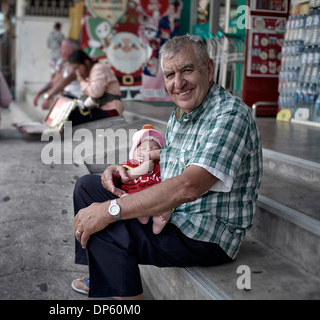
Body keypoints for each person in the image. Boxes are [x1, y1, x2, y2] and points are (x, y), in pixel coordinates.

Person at [71, 35, 262, 299]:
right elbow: (175, 159)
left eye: (186, 70)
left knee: (109, 224)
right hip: (174, 216)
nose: (178, 83)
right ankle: (104, 275)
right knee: (87, 187)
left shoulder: (230, 115)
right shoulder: (181, 114)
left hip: (205, 234)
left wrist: (111, 209)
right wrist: (125, 169)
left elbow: (189, 185)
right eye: (170, 74)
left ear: (208, 69)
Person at [120, 124, 172, 235]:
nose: (148, 150)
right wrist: (141, 169)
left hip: (157, 198)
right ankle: (140, 212)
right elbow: (124, 178)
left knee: (170, 203)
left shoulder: (162, 166)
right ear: (133, 153)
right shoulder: (130, 165)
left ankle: (159, 222)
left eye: (154, 148)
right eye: (142, 148)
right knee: (125, 198)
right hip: (137, 195)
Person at [68, 50, 123, 125]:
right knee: (68, 103)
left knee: (73, 114)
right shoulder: (90, 73)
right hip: (100, 109)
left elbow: (96, 92)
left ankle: (64, 135)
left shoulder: (98, 68)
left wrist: (81, 81)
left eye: (77, 68)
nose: (77, 72)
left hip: (111, 111)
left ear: (86, 62)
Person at [33, 38, 82, 110]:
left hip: (78, 104)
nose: (60, 52)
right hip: (69, 102)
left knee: (62, 116)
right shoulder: (67, 65)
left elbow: (63, 83)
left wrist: (48, 96)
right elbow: (54, 82)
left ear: (71, 51)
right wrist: (39, 93)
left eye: (63, 48)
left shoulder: (77, 65)